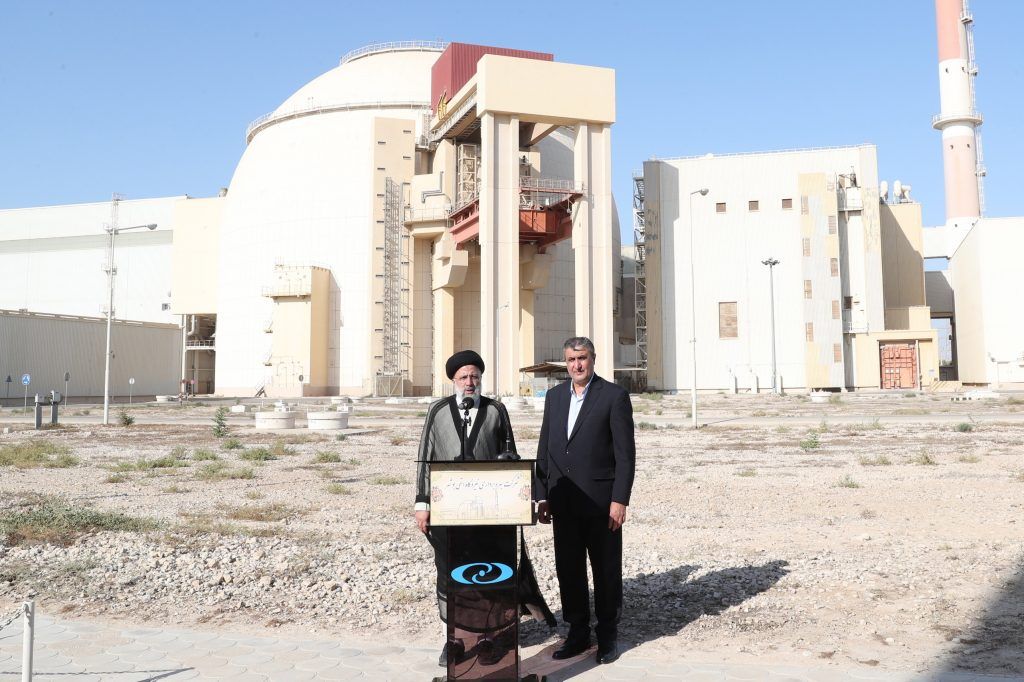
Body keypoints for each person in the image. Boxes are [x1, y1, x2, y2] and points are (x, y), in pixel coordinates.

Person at [414, 350, 519, 667]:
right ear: (453, 380)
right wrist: (422, 503)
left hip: (488, 512)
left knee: (487, 572)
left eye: (474, 376)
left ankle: (486, 638)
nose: (469, 382)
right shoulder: (438, 411)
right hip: (447, 511)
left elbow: (511, 456)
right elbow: (425, 457)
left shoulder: (496, 411)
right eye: (463, 377)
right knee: (450, 572)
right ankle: (455, 640)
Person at [536, 336, 636, 665]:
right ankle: (577, 633)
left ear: (593, 359)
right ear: (565, 363)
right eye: (571, 360)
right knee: (569, 570)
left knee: (605, 571)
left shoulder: (613, 396)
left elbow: (625, 456)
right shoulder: (554, 398)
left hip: (601, 503)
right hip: (563, 502)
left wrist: (619, 500)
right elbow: (545, 448)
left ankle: (607, 636)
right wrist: (542, 494)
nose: (577, 365)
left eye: (582, 358)